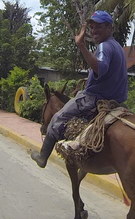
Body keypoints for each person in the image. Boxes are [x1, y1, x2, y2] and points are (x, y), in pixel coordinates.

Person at [31, 10, 128, 168]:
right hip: (115, 100)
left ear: (110, 28)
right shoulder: (117, 47)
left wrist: (81, 45)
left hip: (94, 99)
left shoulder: (104, 47)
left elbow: (100, 68)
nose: (94, 30)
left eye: (99, 27)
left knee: (57, 119)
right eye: (92, 27)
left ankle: (42, 157)